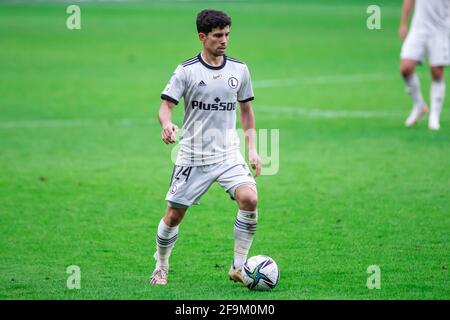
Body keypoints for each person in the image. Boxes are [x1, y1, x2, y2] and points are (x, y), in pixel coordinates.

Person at [149, 9, 262, 285]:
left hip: (227, 154)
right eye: (217, 35)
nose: (224, 40)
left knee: (250, 199)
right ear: (202, 37)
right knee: (174, 216)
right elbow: (166, 107)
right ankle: (161, 265)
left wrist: (252, 149)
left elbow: (246, 110)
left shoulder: (239, 69)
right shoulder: (187, 71)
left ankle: (238, 267)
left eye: (227, 34)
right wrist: (167, 124)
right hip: (193, 155)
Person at [399, 0, 450, 130]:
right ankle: (419, 106)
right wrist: (403, 23)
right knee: (405, 68)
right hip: (419, 28)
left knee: (437, 72)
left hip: (441, 28)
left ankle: (434, 115)